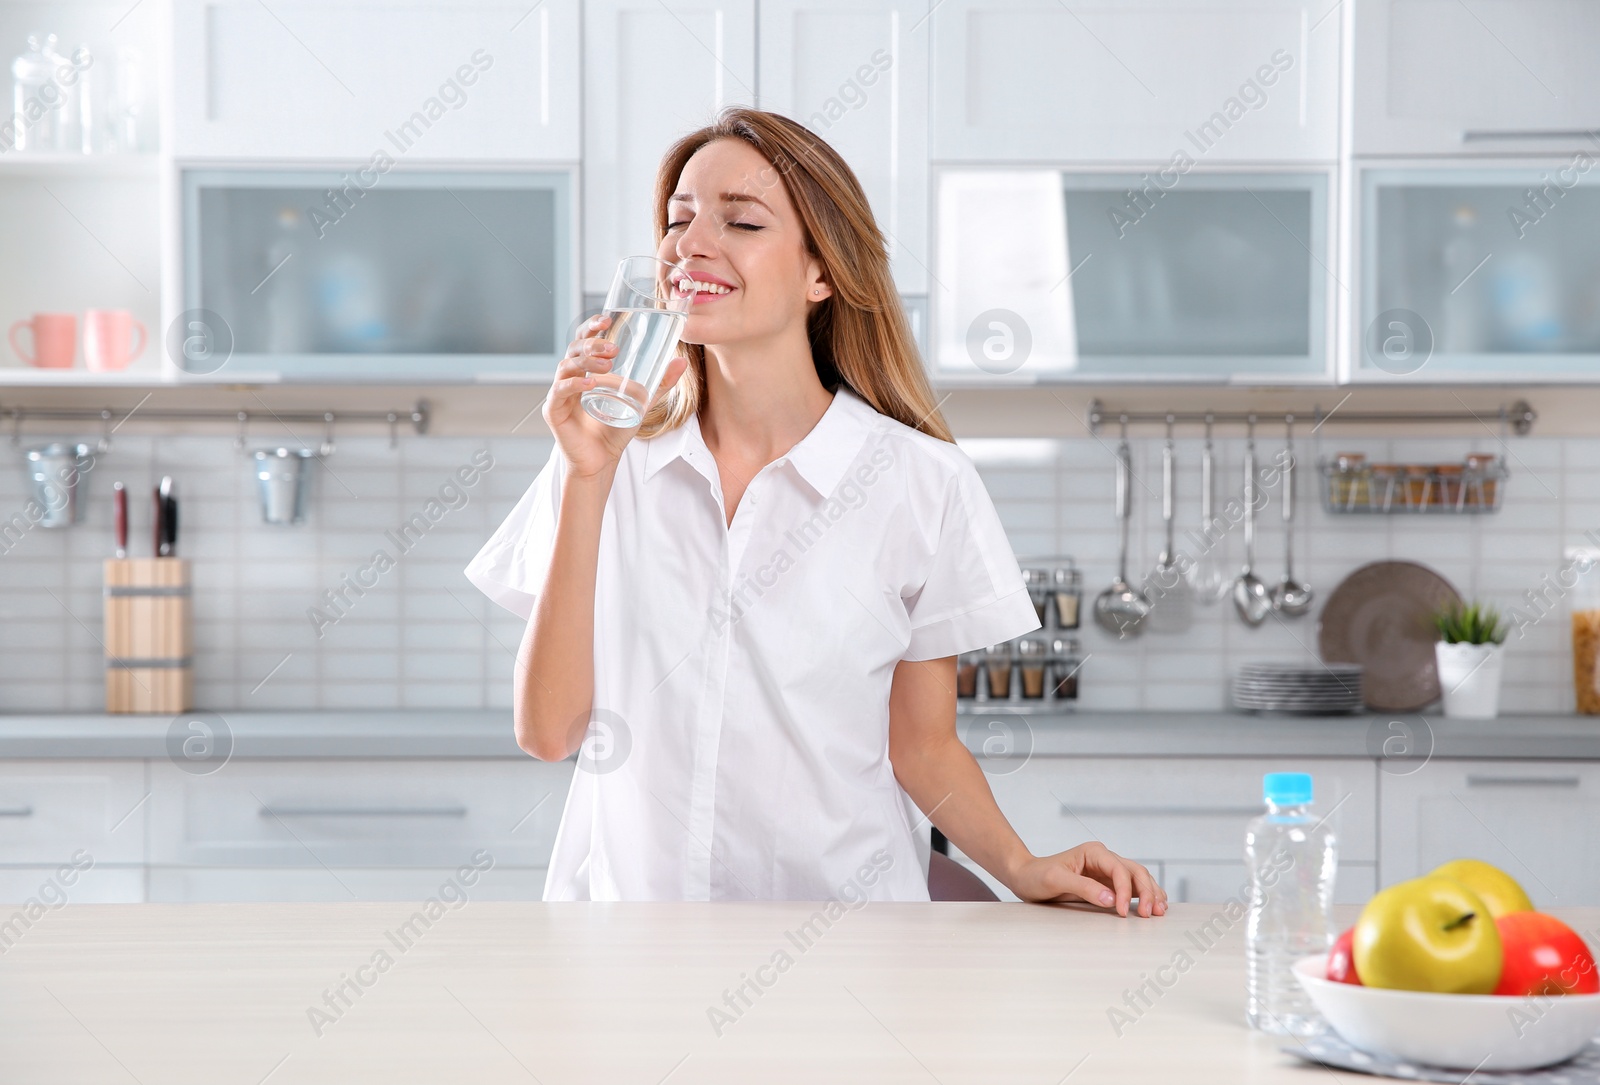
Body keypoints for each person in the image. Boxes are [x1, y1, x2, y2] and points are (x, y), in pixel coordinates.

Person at [466, 107, 1166, 917]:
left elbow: (922, 746)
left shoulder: (918, 483)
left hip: (848, 951)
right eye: (678, 220)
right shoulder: (600, 459)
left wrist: (1024, 865)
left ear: (821, 274)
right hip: (628, 951)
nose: (691, 245)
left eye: (742, 221)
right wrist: (587, 475)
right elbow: (548, 732)